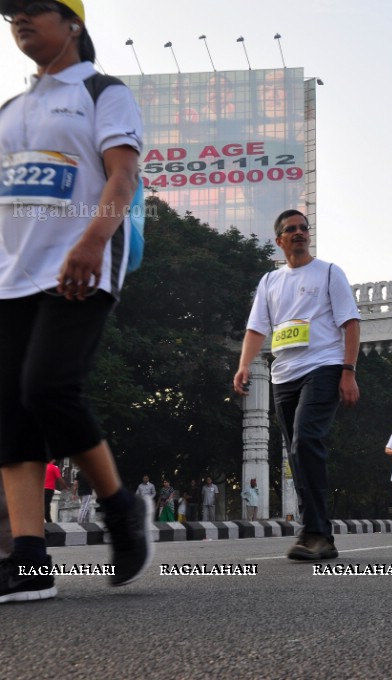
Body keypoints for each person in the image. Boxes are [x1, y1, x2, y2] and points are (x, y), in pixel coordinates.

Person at [0, 0, 153, 603]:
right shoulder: (10, 110)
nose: (20, 19)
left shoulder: (102, 92)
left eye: (36, 9)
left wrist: (93, 242)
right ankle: (29, 561)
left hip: (80, 266)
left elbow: (123, 176)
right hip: (11, 277)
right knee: (9, 410)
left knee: (48, 388)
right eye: (12, 12)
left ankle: (119, 509)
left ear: (73, 24)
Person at [233, 208, 361, 561]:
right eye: (292, 229)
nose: (300, 232)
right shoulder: (270, 282)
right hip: (282, 376)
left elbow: (350, 324)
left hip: (324, 367)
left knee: (306, 440)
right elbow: (257, 328)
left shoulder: (329, 273)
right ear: (280, 240)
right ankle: (315, 533)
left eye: (304, 227)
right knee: (296, 455)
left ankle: (316, 532)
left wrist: (348, 371)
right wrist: (244, 365)